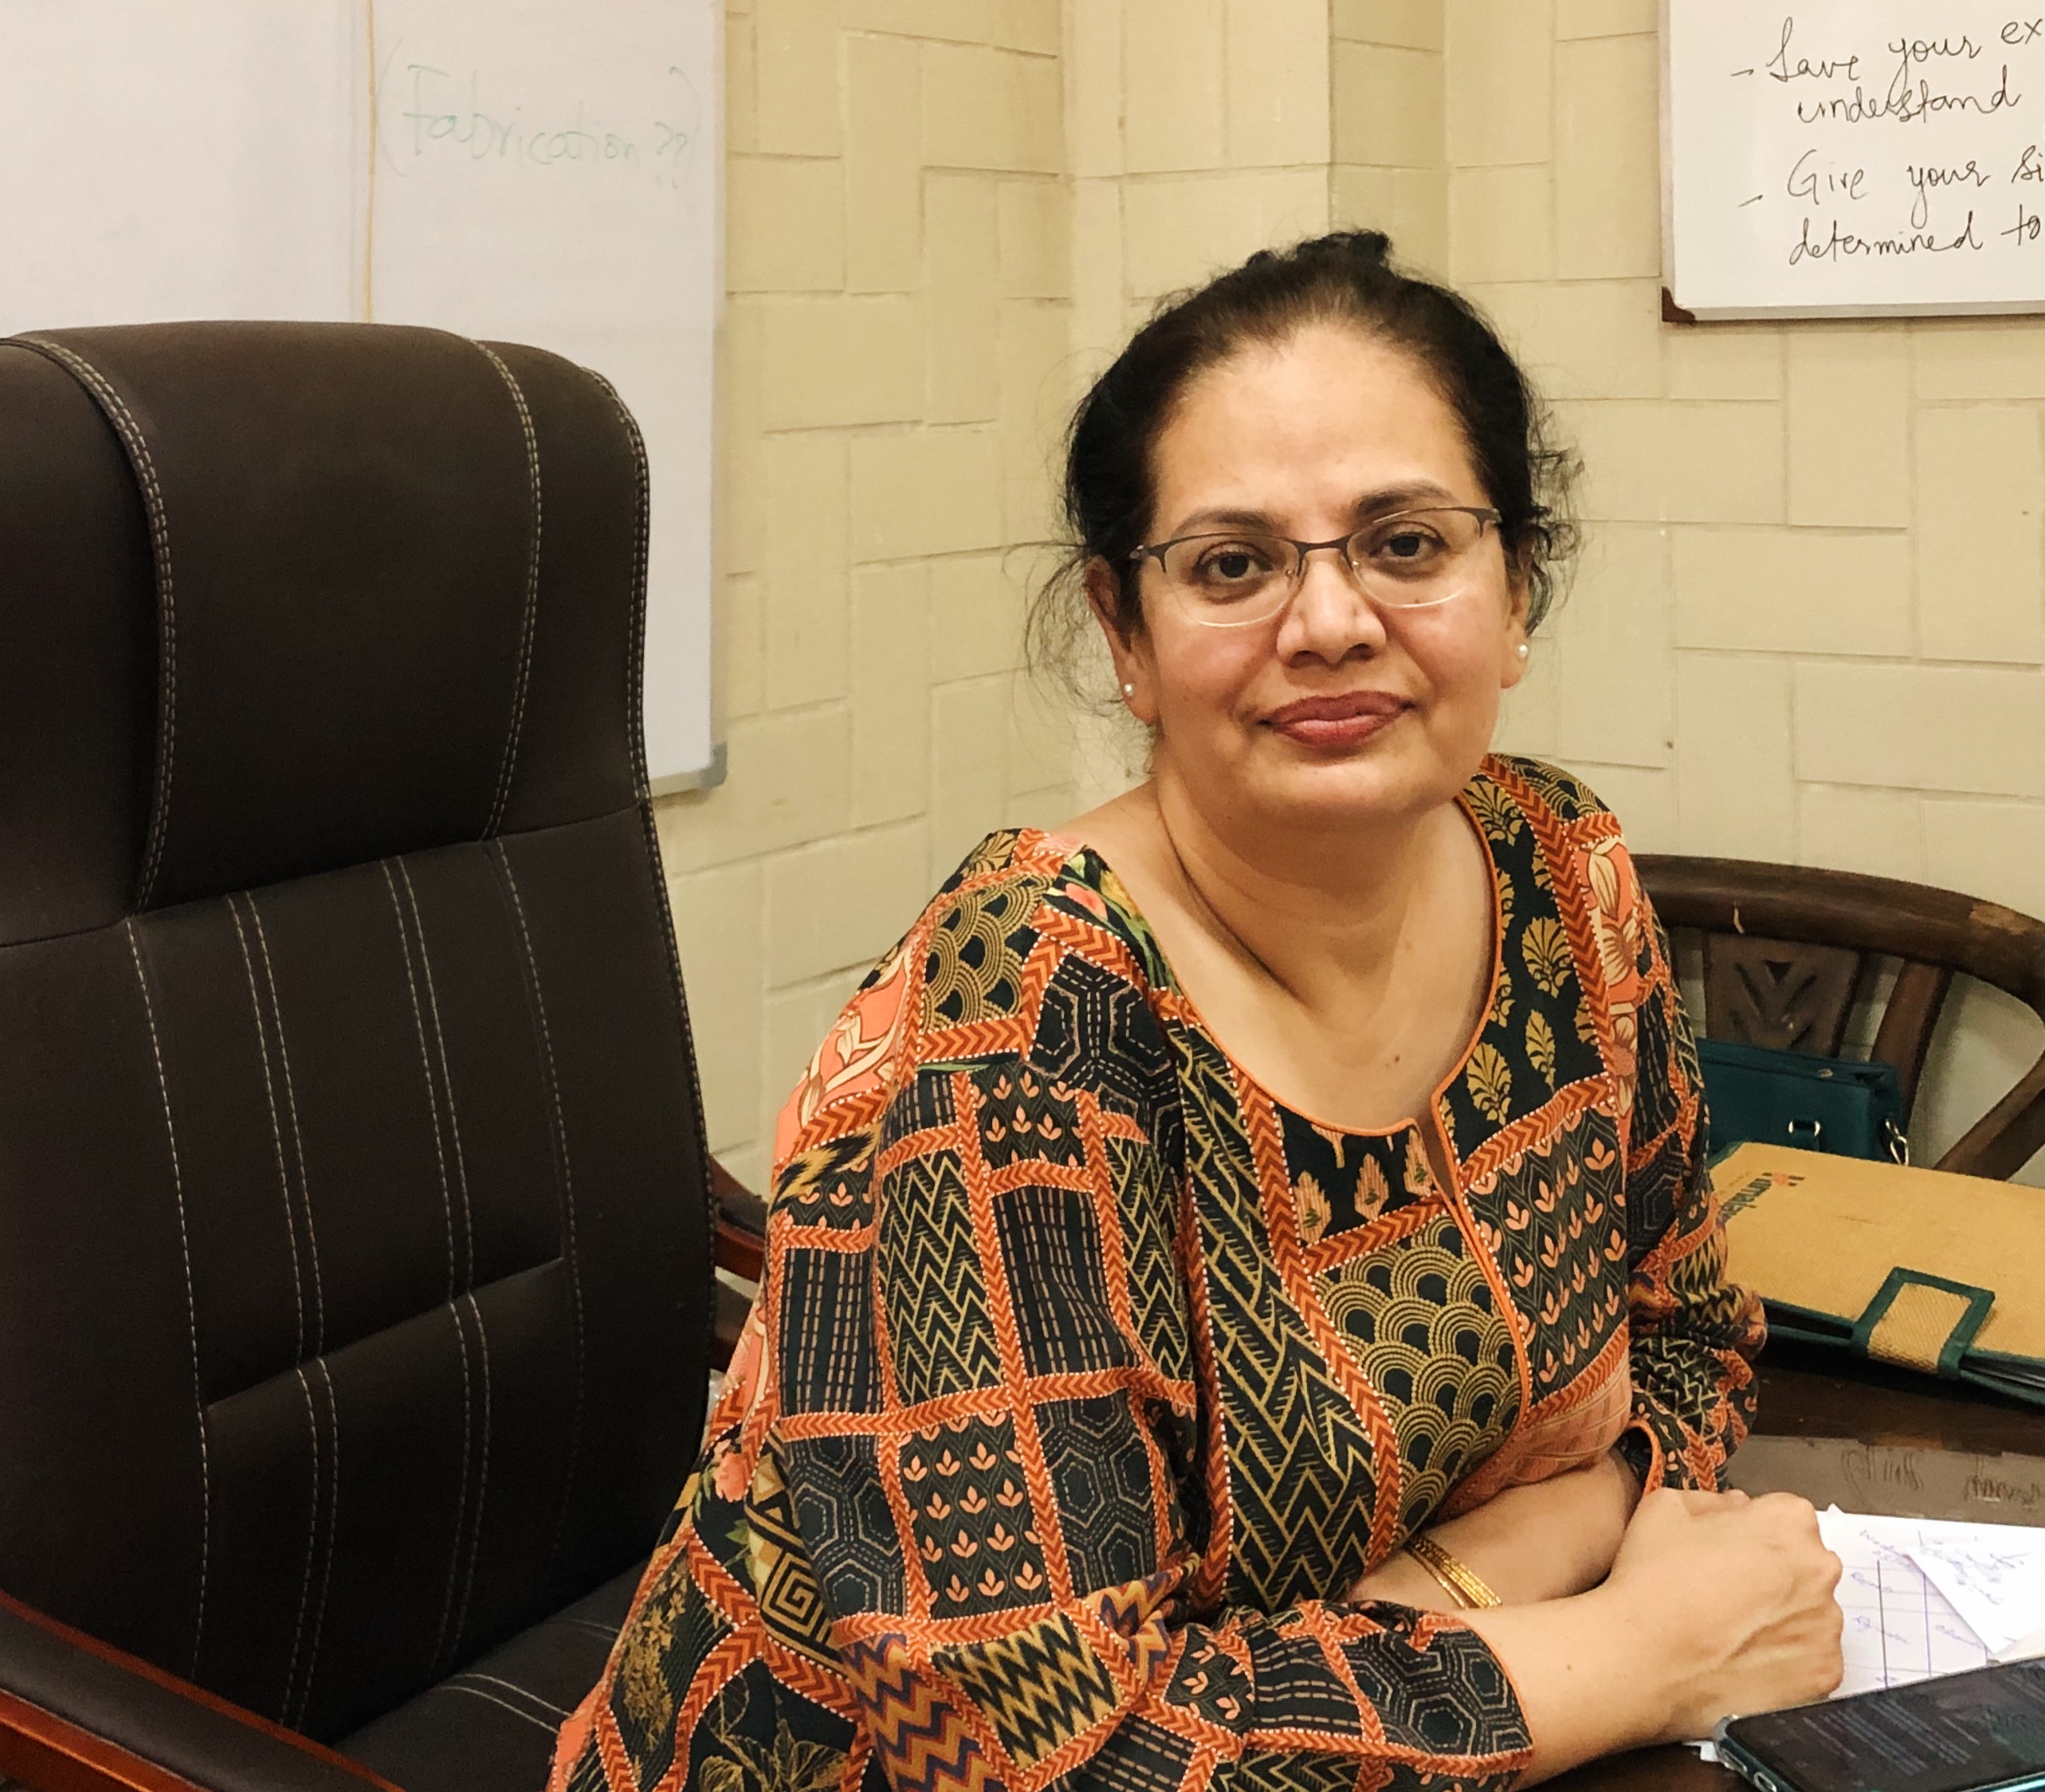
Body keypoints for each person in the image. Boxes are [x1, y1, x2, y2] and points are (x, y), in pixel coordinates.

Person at [553, 232, 1845, 1792]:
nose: (1328, 623)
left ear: (1516, 591)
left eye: (1407, 545)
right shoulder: (1025, 1012)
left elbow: (1685, 1340)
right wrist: (1640, 1653)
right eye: (1233, 564)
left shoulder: (1562, 869)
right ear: (1124, 636)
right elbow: (1040, 1758)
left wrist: (1495, 1565)